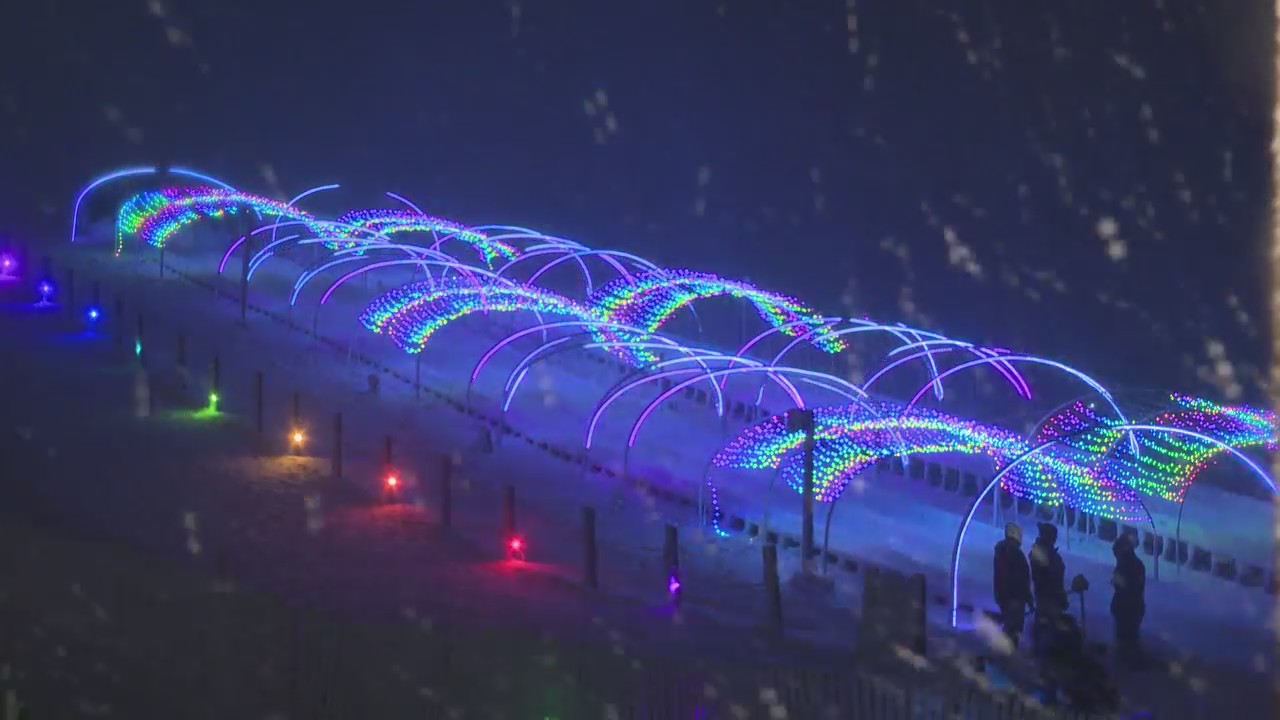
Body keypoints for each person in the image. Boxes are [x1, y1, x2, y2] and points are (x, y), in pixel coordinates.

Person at [992, 523, 1033, 650]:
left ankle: (1003, 651)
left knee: (1009, 625)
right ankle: (1007, 653)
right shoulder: (1016, 554)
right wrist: (1029, 600)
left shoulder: (1001, 552)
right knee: (1014, 628)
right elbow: (1023, 579)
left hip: (1004, 596)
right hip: (1016, 597)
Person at [1029, 522, 1068, 652]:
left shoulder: (1047, 552)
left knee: (1048, 625)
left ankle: (1044, 650)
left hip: (1051, 596)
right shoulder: (1040, 552)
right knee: (1046, 624)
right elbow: (1050, 575)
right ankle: (1042, 652)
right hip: (1047, 596)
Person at [1110, 534, 1146, 665]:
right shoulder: (1133, 564)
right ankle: (1129, 657)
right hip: (1129, 607)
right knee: (1128, 635)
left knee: (1126, 636)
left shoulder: (1129, 565)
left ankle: (1129, 660)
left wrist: (1118, 582)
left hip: (1127, 607)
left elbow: (1129, 587)